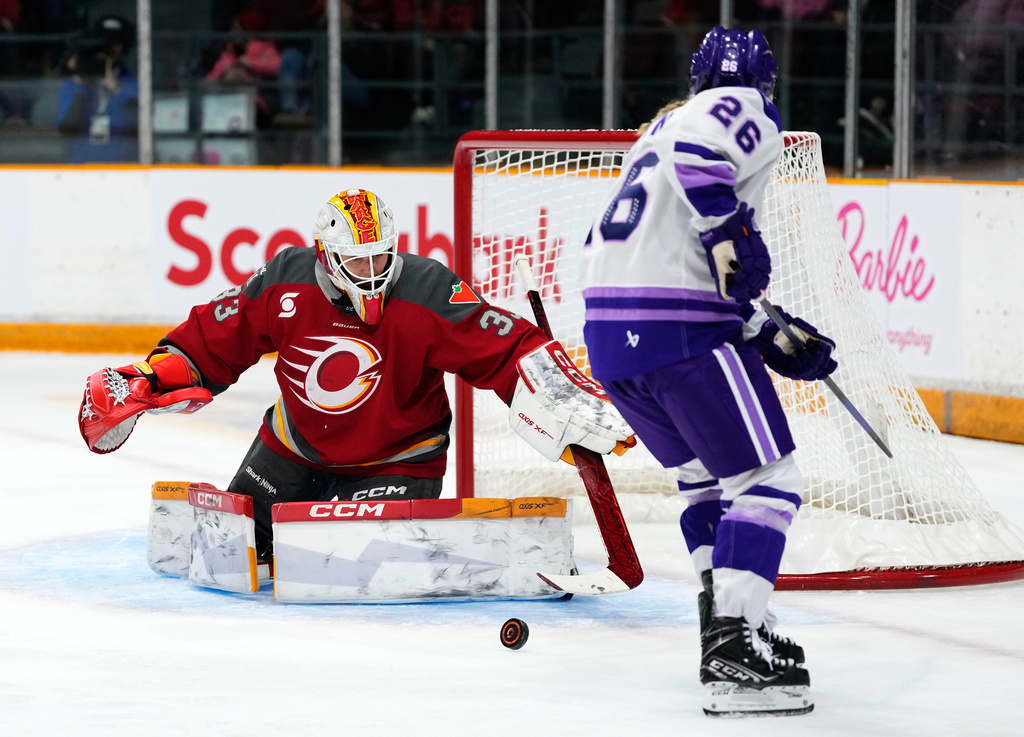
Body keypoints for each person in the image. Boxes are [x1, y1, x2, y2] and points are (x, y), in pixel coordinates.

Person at [78, 188, 631, 568]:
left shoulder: (427, 288)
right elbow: (216, 336)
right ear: (326, 254)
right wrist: (152, 376)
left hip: (400, 457)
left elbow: (506, 344)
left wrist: (555, 389)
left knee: (354, 563)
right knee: (239, 550)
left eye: (381, 258)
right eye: (358, 262)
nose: (373, 273)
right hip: (294, 447)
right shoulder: (284, 280)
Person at [580, 27, 836, 717]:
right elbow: (705, 168)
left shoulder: (657, 127)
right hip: (679, 332)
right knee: (770, 478)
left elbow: (654, 247)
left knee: (704, 480)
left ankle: (719, 623)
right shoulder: (740, 109)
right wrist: (729, 233)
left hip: (611, 338)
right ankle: (735, 636)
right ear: (765, 83)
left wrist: (766, 328)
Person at [56, 15, 139, 163]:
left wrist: (115, 86)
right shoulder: (73, 84)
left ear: (124, 47)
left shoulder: (132, 83)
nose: (109, 49)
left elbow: (142, 123)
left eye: (115, 44)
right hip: (79, 168)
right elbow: (66, 130)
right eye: (104, 43)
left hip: (123, 169)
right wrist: (80, 83)